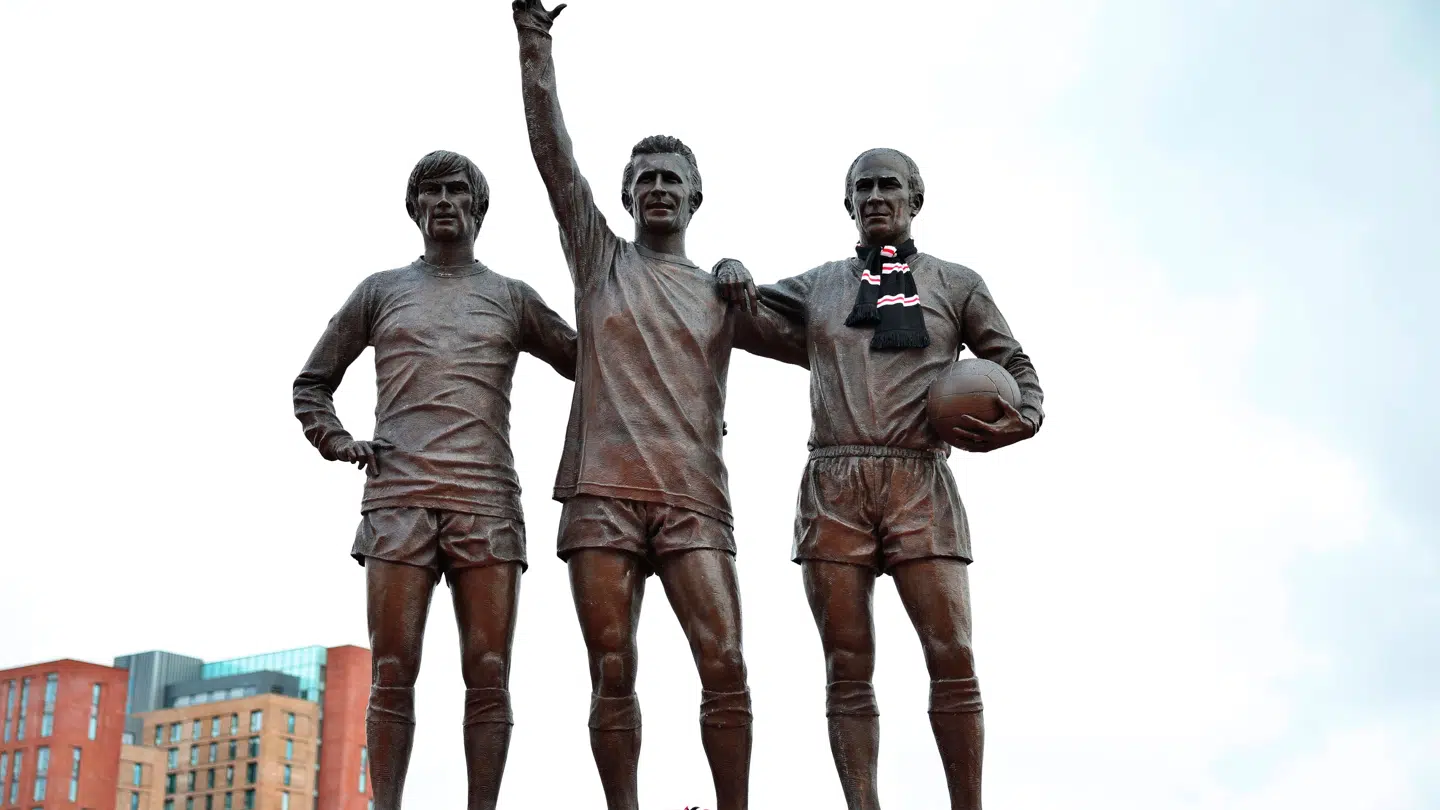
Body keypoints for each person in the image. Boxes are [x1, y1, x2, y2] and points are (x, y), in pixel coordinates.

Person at [511, 3, 807, 809]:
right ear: (625, 197)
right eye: (644, 181)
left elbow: (826, 347)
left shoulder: (722, 292)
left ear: (698, 196)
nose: (658, 190)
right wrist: (534, 39)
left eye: (672, 180)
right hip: (602, 492)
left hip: (693, 496)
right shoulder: (598, 258)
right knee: (612, 668)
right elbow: (551, 152)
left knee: (727, 664)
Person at [753, 147, 1045, 810]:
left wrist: (1022, 419)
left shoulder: (957, 283)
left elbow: (1016, 363)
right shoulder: (818, 286)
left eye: (890, 185)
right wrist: (730, 279)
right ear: (849, 203)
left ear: (916, 199)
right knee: (847, 666)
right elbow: (738, 313)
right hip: (834, 482)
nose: (877, 196)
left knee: (953, 656)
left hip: (919, 478)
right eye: (864, 187)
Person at [292, 150, 577, 810]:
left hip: (486, 500)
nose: (444, 201)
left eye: (457, 191)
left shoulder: (511, 296)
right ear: (415, 207)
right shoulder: (380, 291)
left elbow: (591, 362)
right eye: (432, 191)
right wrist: (336, 440)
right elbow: (312, 383)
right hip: (398, 500)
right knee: (392, 670)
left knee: (489, 671)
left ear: (477, 207)